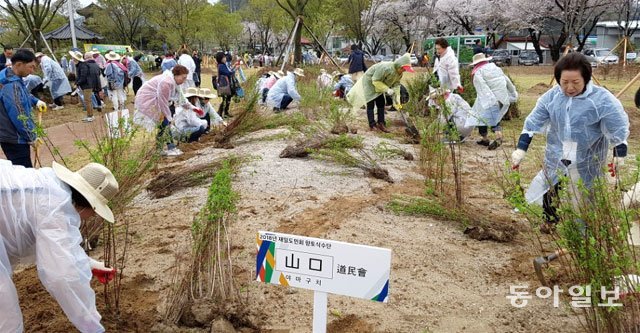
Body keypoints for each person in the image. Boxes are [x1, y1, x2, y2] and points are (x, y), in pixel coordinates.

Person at [510, 52, 629, 232]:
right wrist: (521, 149)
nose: (569, 87)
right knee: (552, 187)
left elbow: (617, 129)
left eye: (575, 82)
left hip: (587, 156)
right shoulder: (551, 97)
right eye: (564, 82)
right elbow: (532, 123)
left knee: (583, 193)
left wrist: (620, 153)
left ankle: (584, 229)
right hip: (557, 153)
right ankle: (550, 220)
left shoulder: (602, 100)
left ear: (586, 78)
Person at [0, 159, 118, 333]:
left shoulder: (53, 188)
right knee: (7, 316)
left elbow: (55, 251)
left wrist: (89, 265)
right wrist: (92, 326)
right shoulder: (57, 209)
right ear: (88, 204)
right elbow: (63, 277)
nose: (93, 216)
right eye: (95, 211)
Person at [134, 65, 198, 156]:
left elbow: (181, 98)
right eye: (183, 78)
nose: (184, 81)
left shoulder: (174, 82)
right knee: (165, 123)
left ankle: (159, 148)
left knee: (163, 125)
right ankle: (170, 147)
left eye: (185, 78)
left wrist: (193, 108)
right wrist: (168, 116)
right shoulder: (167, 82)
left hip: (157, 101)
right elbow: (162, 101)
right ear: (176, 75)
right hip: (148, 100)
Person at [0, 50, 48, 168]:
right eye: (30, 67)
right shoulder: (11, 85)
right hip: (14, 137)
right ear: (19, 64)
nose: (32, 71)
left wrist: (36, 101)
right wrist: (31, 136)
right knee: (25, 172)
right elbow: (18, 113)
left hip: (11, 135)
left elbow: (22, 94)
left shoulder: (12, 77)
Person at [346, 53, 414, 133]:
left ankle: (381, 123)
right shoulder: (385, 68)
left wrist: (397, 101)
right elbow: (375, 80)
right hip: (370, 82)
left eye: (405, 69)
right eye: (403, 69)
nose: (404, 71)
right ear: (399, 65)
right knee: (370, 103)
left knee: (381, 102)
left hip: (380, 84)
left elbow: (396, 85)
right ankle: (372, 125)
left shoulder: (399, 74)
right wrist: (387, 89)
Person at [465, 53, 518, 150]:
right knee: (481, 117)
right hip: (502, 97)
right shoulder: (496, 68)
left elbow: (482, 88)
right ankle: (484, 139)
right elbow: (507, 80)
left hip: (490, 98)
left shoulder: (478, 72)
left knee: (491, 118)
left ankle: (498, 137)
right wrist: (513, 93)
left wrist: (490, 102)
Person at [74, 51, 102, 122]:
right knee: (87, 101)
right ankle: (89, 115)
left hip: (87, 85)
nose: (73, 59)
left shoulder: (82, 65)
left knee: (87, 101)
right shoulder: (81, 65)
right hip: (86, 85)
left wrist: (77, 83)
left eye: (74, 58)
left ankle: (91, 116)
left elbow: (83, 76)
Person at [215, 51, 238, 118]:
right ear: (221, 59)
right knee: (225, 99)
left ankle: (225, 112)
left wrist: (234, 67)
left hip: (225, 85)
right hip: (224, 85)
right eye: (224, 57)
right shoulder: (221, 66)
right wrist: (235, 69)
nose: (225, 58)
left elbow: (229, 71)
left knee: (227, 98)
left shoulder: (223, 65)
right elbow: (228, 73)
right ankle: (221, 113)